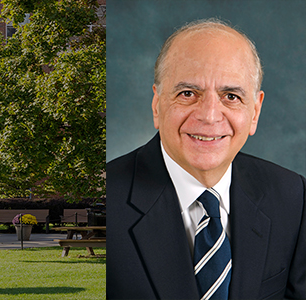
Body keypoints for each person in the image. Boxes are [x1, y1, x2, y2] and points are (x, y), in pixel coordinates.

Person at [107, 19, 306, 299]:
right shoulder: (108, 199)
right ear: (157, 104)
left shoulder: (292, 196)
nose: (209, 115)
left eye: (231, 96)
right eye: (188, 93)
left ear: (255, 112)